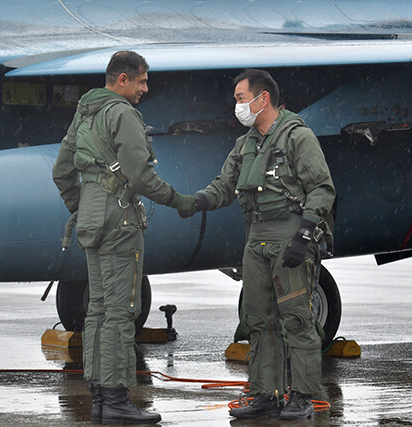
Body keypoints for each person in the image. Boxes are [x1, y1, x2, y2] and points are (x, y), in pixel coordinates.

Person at [177, 69, 336, 421]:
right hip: (257, 237)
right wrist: (194, 202)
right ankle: (267, 393)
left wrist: (305, 234)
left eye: (240, 98)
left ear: (262, 99)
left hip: (289, 235)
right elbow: (223, 186)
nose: (237, 106)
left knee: (296, 319)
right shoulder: (245, 144)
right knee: (259, 321)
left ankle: (303, 396)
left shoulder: (298, 137)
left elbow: (322, 189)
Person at [52, 51, 195, 425]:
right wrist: (179, 201)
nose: (145, 88)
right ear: (122, 80)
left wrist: (81, 208)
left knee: (97, 308)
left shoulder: (85, 112)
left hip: (92, 217)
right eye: (142, 81)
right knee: (121, 311)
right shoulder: (123, 114)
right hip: (120, 220)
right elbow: (141, 176)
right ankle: (116, 399)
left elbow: (62, 171)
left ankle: (100, 394)